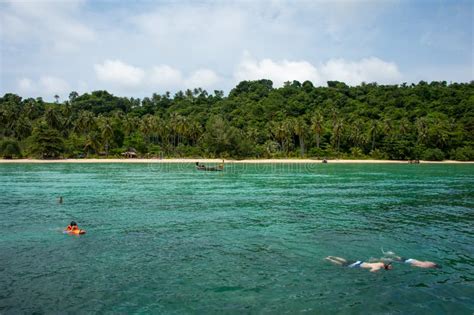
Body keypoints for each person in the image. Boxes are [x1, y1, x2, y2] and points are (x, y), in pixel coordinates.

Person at [325, 256, 392, 272]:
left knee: (345, 261)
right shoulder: (378, 268)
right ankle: (329, 259)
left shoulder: (381, 263)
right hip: (357, 265)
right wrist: (376, 272)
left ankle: (331, 256)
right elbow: (370, 271)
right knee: (341, 264)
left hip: (359, 262)